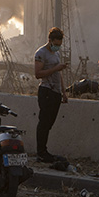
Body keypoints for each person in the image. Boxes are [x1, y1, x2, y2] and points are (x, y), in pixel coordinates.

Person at [33, 27, 68, 163]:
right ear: (50, 40)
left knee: (49, 124)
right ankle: (41, 152)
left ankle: (44, 151)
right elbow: (38, 74)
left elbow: (58, 74)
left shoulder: (56, 54)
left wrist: (63, 92)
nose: (57, 47)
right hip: (46, 91)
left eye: (59, 45)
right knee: (44, 123)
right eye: (56, 44)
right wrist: (55, 69)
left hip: (55, 92)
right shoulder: (41, 53)